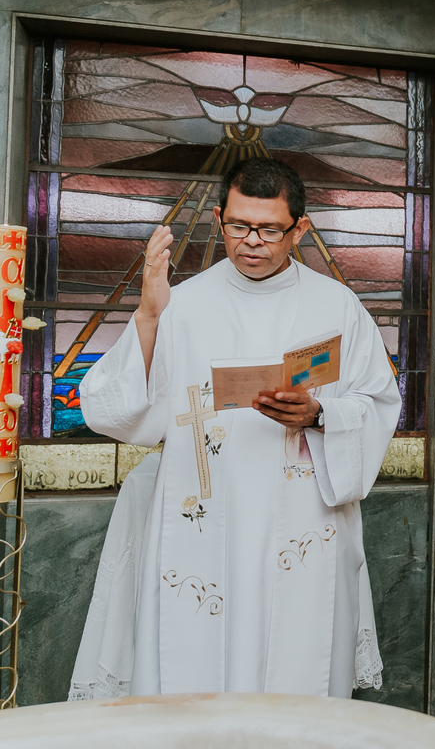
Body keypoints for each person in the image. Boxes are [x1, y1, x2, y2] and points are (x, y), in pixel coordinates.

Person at [71, 158, 402, 699]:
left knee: (297, 659)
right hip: (204, 515)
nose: (251, 241)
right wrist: (149, 315)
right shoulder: (183, 305)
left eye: (270, 230)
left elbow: (379, 401)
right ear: (218, 218)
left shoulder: (336, 306)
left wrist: (319, 416)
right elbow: (114, 411)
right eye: (238, 225)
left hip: (302, 514)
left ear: (300, 228)